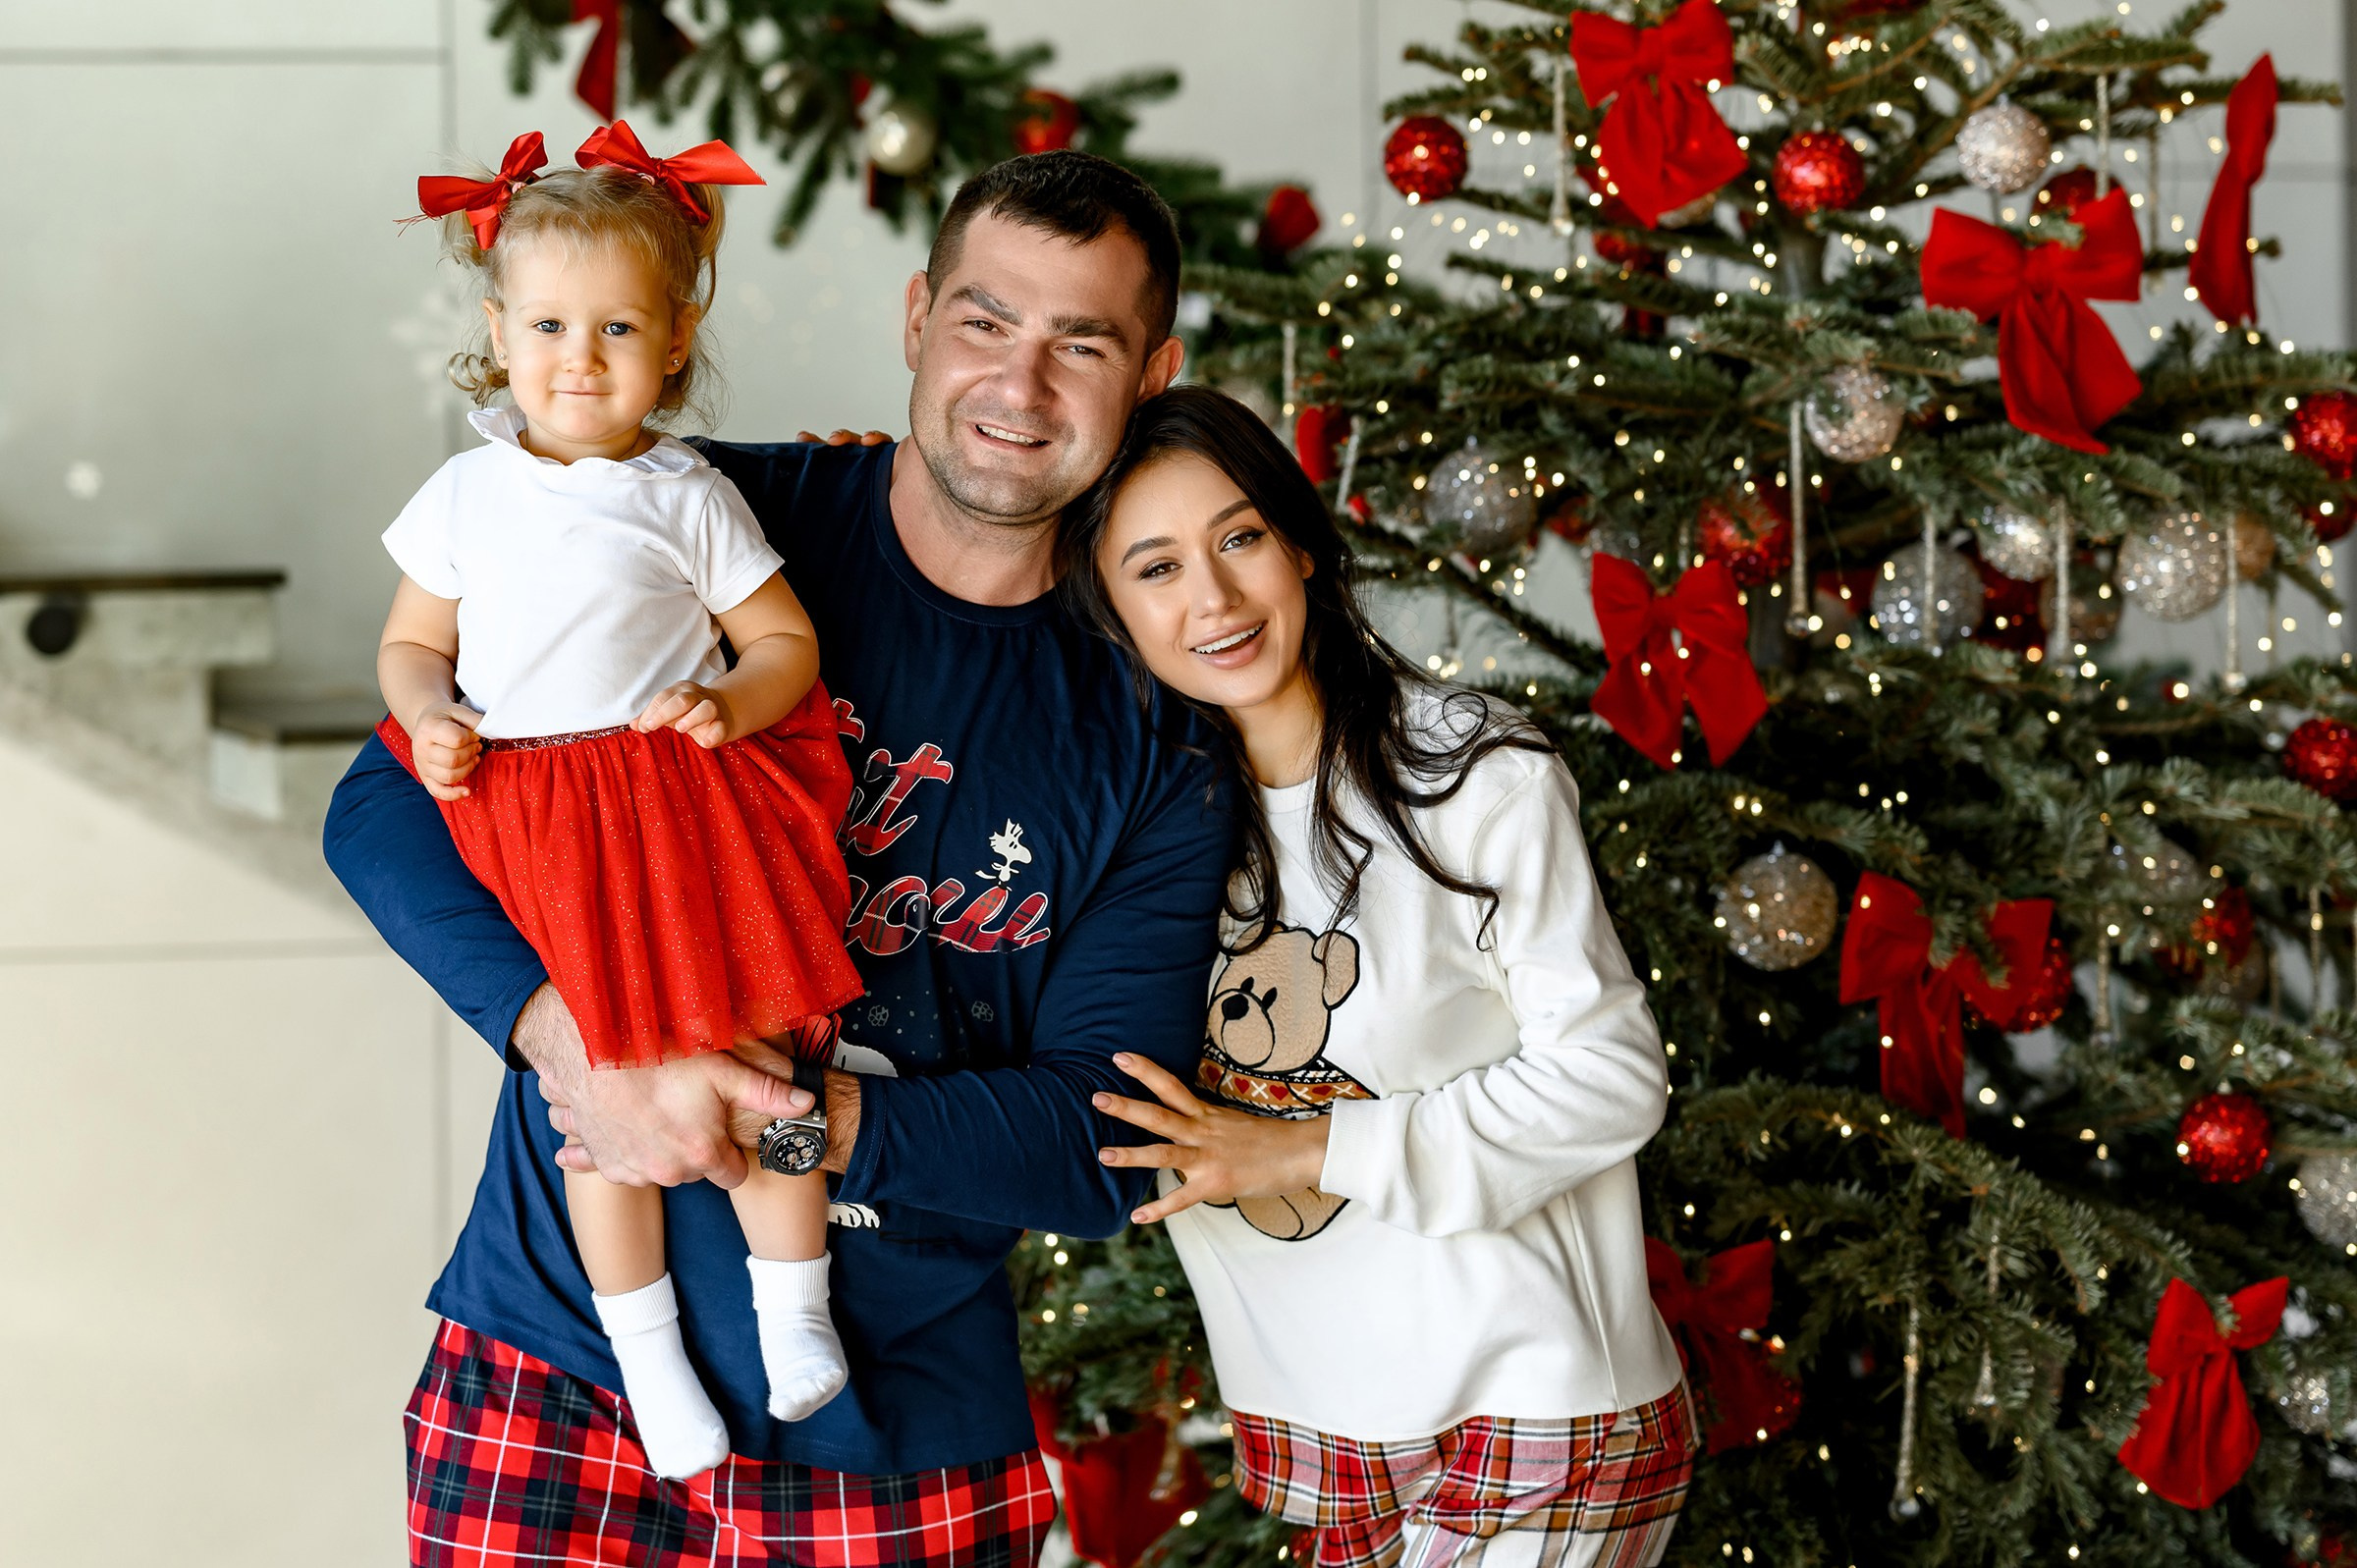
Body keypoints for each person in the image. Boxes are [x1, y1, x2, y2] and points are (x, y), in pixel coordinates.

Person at [324, 150, 1228, 1563]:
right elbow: (378, 807)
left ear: (1153, 372)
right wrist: (583, 1047)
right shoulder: (692, 509)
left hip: (897, 1431)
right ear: (917, 318)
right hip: (556, 1368)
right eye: (986, 321)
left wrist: (783, 1119)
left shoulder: (1157, 730)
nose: (1019, 383)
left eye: (1084, 343)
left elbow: (1099, 1138)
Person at [1058, 386, 1696, 1568]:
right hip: (1328, 1442)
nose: (1214, 599)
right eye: (1157, 568)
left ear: (1301, 545)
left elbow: (1611, 1078)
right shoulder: (1123, 835)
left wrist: (1306, 1148)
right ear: (1110, 609)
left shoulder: (1472, 776)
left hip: (1539, 1419)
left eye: (1240, 538)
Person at [377, 122, 870, 1480]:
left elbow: (784, 643)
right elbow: (410, 644)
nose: (579, 359)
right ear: (497, 331)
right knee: (595, 1078)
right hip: (537, 811)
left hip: (673, 800)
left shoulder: (685, 494)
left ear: (675, 339)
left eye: (616, 328)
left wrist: (734, 703)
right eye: (547, 325)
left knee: (760, 1047)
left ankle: (795, 1308)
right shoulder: (463, 494)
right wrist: (429, 715)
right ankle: (648, 1357)